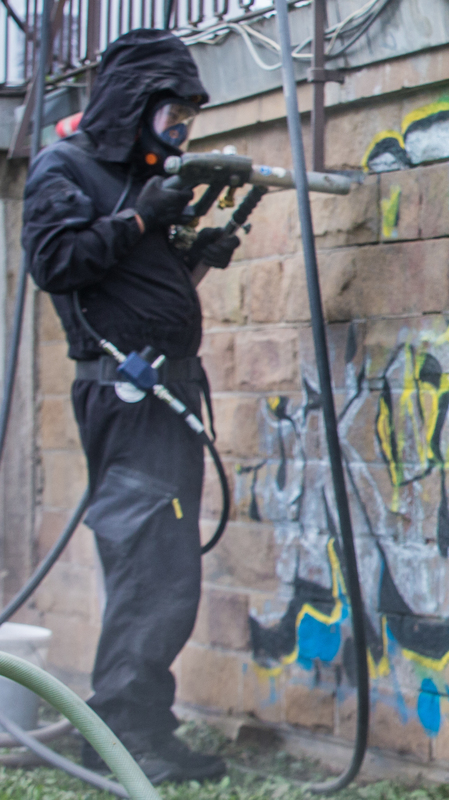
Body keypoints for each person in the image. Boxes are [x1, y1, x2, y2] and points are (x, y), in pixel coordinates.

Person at [22, 29, 238, 784]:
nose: (179, 132)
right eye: (170, 115)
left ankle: (143, 728)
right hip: (127, 393)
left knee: (168, 569)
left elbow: (128, 285)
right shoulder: (66, 167)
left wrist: (190, 259)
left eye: (186, 119)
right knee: (150, 568)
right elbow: (56, 263)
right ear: (132, 105)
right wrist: (143, 218)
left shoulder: (141, 177)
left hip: (166, 387)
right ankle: (121, 738)